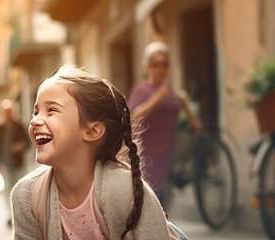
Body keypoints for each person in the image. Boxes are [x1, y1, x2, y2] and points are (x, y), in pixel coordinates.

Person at [11, 65, 172, 239]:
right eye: (36, 112)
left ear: (92, 131)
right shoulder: (26, 196)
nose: (34, 121)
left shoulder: (123, 190)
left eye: (52, 111)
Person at [128, 41, 201, 201]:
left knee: (163, 198)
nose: (161, 69)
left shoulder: (170, 91)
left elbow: (179, 103)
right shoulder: (141, 91)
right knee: (151, 198)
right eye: (156, 64)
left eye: (165, 64)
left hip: (168, 151)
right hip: (148, 154)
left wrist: (191, 117)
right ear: (148, 66)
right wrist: (157, 99)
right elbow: (134, 116)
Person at [0, 99, 30, 226]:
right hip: (4, 162)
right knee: (8, 188)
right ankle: (11, 214)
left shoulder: (19, 125)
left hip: (18, 162)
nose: (8, 114)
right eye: (6, 112)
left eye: (10, 111)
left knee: (19, 187)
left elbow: (28, 143)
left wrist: (20, 146)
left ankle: (20, 213)